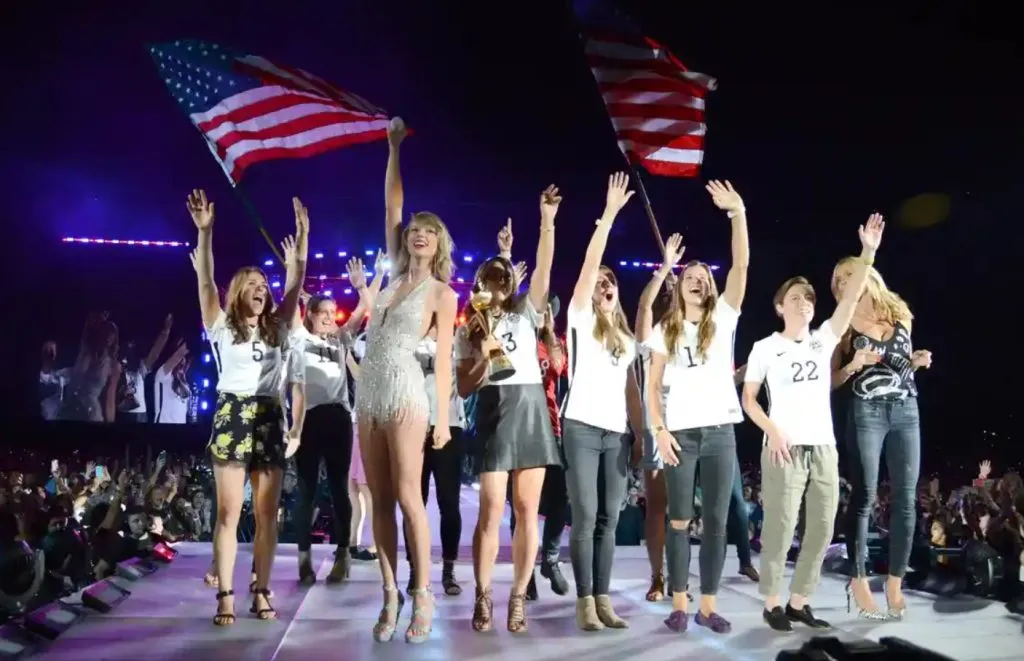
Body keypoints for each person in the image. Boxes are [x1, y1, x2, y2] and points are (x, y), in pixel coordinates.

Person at [741, 213, 885, 632]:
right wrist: (772, 429)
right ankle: (772, 602)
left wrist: (868, 253)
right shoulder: (765, 347)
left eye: (808, 298)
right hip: (784, 447)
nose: (804, 302)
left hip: (823, 447)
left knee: (822, 528)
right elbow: (749, 399)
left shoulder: (824, 339)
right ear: (779, 307)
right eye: (795, 298)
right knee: (780, 527)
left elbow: (851, 296)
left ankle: (800, 601)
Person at [356, 118, 459, 644]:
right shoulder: (392, 280)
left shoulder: (443, 293)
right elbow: (391, 207)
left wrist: (442, 418)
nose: (418, 231)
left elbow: (442, 362)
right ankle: (391, 593)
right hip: (367, 394)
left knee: (407, 495)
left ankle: (424, 594)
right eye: (415, 228)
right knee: (378, 499)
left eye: (429, 229)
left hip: (405, 393)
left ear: (439, 242)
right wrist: (393, 148)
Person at [187, 189, 307, 626]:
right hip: (233, 414)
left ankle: (262, 589)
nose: (261, 290)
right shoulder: (221, 324)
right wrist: (206, 233)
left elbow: (294, 287)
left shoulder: (277, 329)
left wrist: (302, 245)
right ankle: (225, 593)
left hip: (269, 416)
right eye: (252, 286)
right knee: (227, 511)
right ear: (238, 292)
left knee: (266, 514)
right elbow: (204, 281)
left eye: (264, 285)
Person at [646, 180, 750, 635]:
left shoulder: (724, 319)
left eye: (702, 279)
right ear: (679, 287)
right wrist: (659, 430)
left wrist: (737, 213)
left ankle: (708, 605)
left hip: (720, 433)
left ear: (709, 289)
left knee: (716, 522)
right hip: (681, 435)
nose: (695, 281)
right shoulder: (667, 329)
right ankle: (680, 604)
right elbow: (651, 387)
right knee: (679, 519)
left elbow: (742, 264)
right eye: (688, 277)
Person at [455, 187, 559, 633]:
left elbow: (545, 269)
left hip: (531, 408)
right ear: (479, 287)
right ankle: (483, 596)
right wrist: (482, 355)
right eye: (489, 279)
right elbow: (462, 386)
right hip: (495, 409)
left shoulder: (526, 314)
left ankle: (518, 596)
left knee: (526, 507)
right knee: (492, 509)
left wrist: (546, 221)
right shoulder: (471, 327)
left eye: (503, 277)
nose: (497, 283)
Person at [561, 172, 645, 631]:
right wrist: (609, 216)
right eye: (600, 281)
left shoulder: (627, 340)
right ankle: (583, 601)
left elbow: (632, 392)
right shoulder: (578, 317)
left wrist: (639, 435)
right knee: (587, 514)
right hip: (580, 427)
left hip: (616, 433)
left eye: (611, 281)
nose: (605, 285)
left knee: (610, 518)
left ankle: (603, 597)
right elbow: (590, 265)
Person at [830, 255, 932, 619]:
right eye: (838, 279)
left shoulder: (899, 311)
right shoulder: (842, 324)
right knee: (865, 495)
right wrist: (854, 365)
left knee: (906, 498)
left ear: (868, 275)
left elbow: (904, 363)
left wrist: (917, 359)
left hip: (906, 410)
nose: (843, 282)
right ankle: (857, 577)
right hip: (866, 412)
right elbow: (832, 380)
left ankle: (894, 581)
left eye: (849, 274)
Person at [290, 255, 378, 586]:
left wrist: (364, 284)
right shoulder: (300, 338)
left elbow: (363, 309)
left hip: (339, 418)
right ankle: (304, 558)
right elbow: (293, 295)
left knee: (341, 488)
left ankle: (343, 555)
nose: (329, 317)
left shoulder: (341, 338)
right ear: (309, 315)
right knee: (306, 490)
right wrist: (296, 267)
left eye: (331, 312)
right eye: (322, 313)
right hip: (308, 420)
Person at [633, 235, 682, 602]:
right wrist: (665, 266)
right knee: (657, 505)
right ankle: (657, 575)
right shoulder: (651, 335)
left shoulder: (695, 328)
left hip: (691, 420)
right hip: (656, 421)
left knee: (681, 509)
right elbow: (645, 305)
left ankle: (679, 577)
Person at [405, 323, 467, 596]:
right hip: (415, 426)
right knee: (414, 504)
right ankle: (415, 569)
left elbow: (466, 384)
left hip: (450, 427)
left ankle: (449, 569)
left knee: (449, 504)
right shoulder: (410, 342)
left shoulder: (457, 342)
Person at [346, 339, 378, 562]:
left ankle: (377, 544)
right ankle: (351, 543)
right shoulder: (362, 341)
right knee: (353, 489)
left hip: (371, 427)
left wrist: (347, 358)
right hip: (356, 424)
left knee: (367, 490)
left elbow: (362, 378)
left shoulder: (380, 366)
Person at [116, 315, 173, 423]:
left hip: (140, 415)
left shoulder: (139, 368)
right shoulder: (115, 366)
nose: (129, 347)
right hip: (122, 415)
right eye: (126, 344)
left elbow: (155, 353)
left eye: (131, 344)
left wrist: (165, 332)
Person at [153, 340, 191, 424]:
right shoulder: (163, 373)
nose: (183, 360)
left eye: (186, 357)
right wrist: (192, 339)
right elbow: (179, 355)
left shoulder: (183, 380)